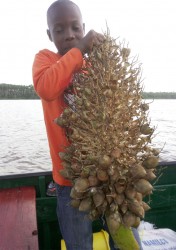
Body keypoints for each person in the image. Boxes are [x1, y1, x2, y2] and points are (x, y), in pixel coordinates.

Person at [32, 0, 143, 249]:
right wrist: (80, 49)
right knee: (78, 243)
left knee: (127, 240)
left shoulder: (94, 64)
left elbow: (114, 106)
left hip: (109, 174)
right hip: (70, 180)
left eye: (75, 28)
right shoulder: (45, 59)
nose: (69, 35)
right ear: (49, 34)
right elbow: (47, 87)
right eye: (59, 30)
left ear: (83, 28)